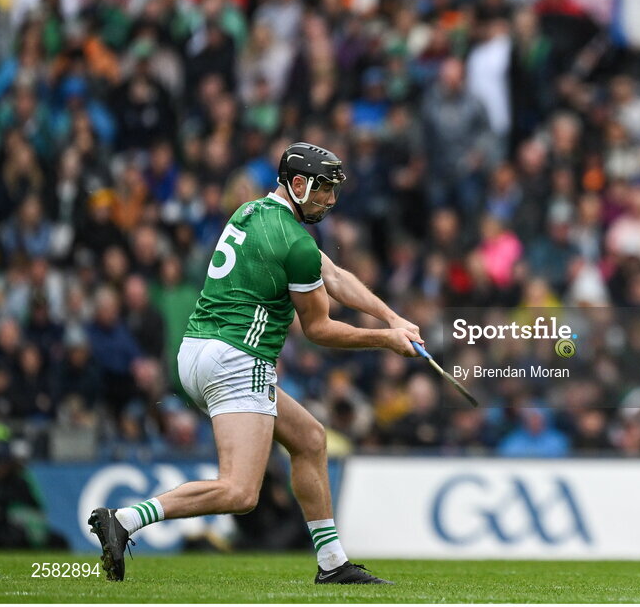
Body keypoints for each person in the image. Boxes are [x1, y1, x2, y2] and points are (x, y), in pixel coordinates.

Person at [87, 142, 424, 584]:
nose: (330, 200)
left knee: (309, 438)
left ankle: (332, 563)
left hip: (197, 350)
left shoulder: (252, 212)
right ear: (298, 184)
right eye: (323, 190)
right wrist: (386, 340)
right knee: (241, 491)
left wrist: (393, 316)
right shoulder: (295, 243)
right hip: (237, 357)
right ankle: (127, 519)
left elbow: (336, 276)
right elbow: (318, 329)